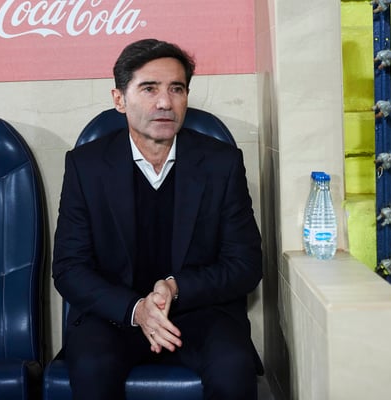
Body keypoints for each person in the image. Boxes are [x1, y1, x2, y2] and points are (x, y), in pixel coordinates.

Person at [52, 38, 263, 400]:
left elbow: (245, 265)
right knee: (91, 367)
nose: (165, 102)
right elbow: (69, 268)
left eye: (176, 89)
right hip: (115, 316)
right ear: (119, 99)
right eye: (149, 88)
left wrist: (175, 287)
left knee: (234, 365)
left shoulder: (221, 163)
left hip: (200, 311)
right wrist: (136, 310)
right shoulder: (86, 165)